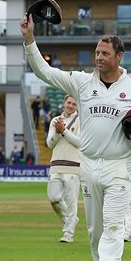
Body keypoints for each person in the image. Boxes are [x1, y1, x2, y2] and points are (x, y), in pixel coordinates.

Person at [21, 14, 131, 261]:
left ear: (119, 56)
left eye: (105, 53)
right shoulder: (82, 83)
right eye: (97, 53)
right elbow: (44, 71)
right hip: (88, 167)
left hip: (119, 169)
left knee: (113, 230)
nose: (99, 58)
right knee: (94, 234)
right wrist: (29, 38)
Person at [46, 94, 81, 243]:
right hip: (56, 165)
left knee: (71, 201)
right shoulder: (55, 120)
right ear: (64, 103)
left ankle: (68, 233)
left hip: (73, 166)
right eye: (69, 103)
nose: (70, 106)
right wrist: (57, 131)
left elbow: (80, 143)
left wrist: (64, 131)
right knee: (53, 198)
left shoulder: (81, 120)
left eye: (74, 104)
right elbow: (50, 144)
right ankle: (71, 220)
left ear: (77, 106)